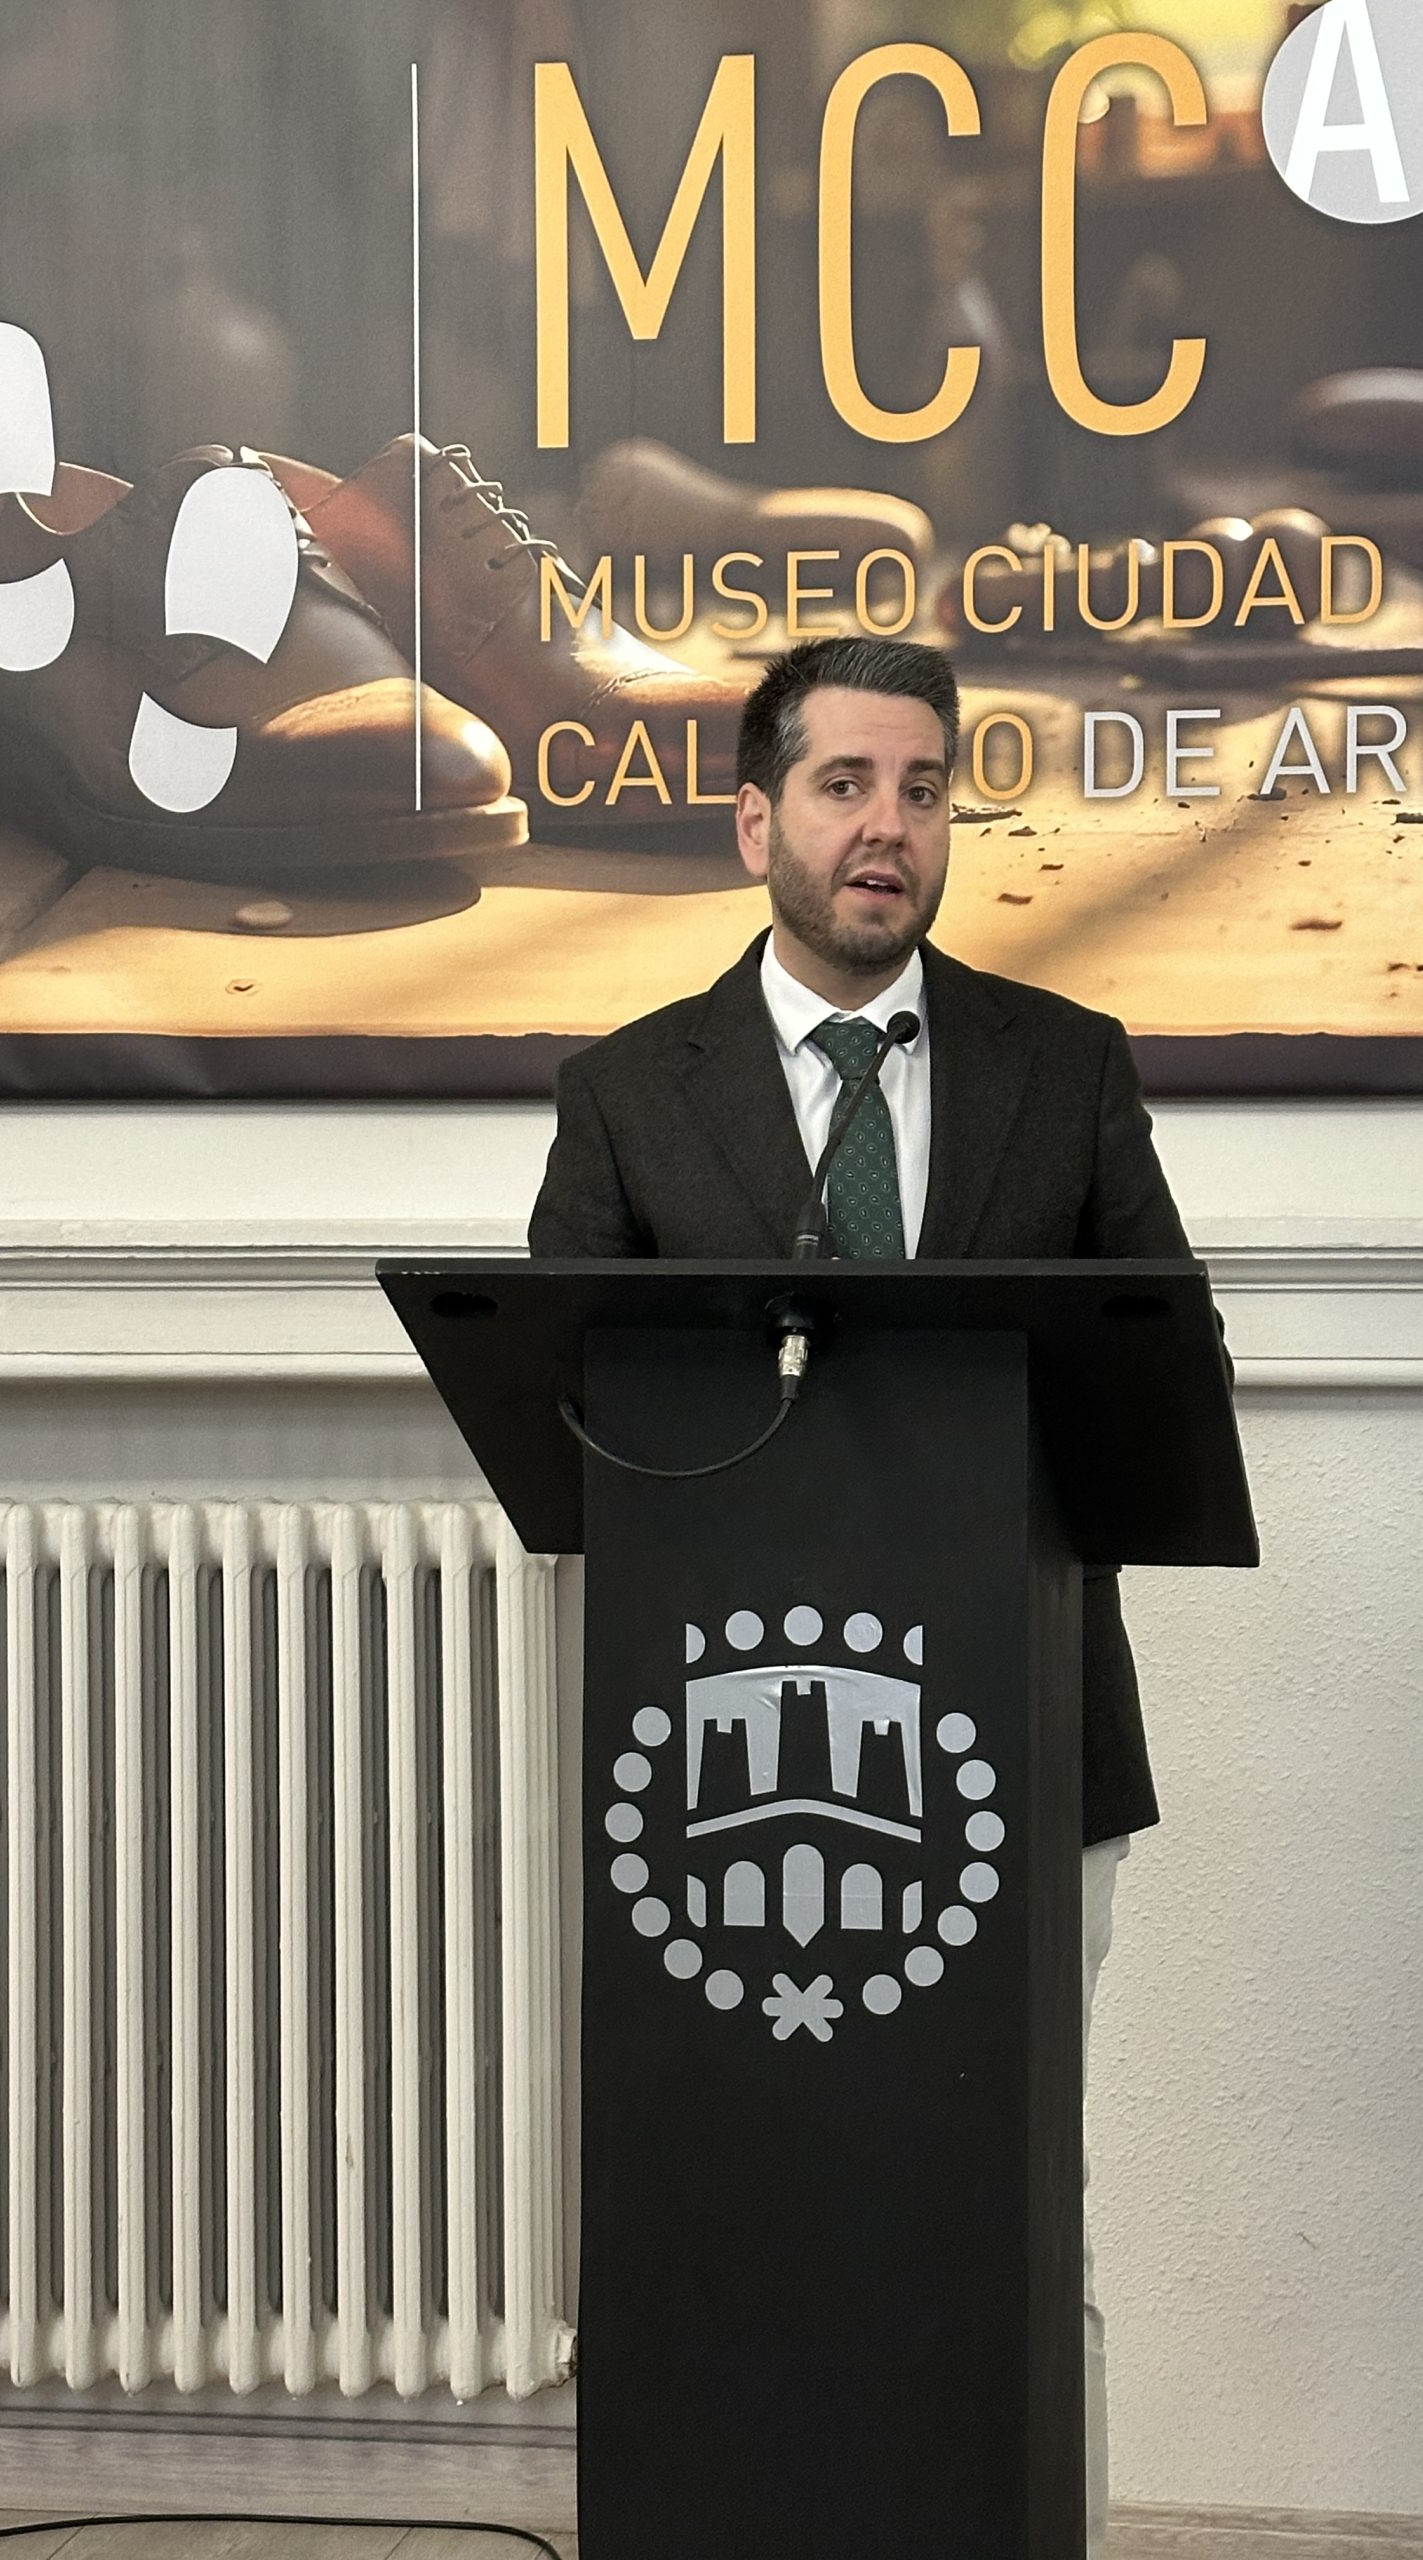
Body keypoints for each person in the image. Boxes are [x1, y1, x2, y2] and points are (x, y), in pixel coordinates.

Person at [528, 631, 1203, 2555]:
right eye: (844, 787)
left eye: (922, 790)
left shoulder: (1063, 1069)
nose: (887, 828)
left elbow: (1166, 1377)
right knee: (748, 2196)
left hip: (1026, 1756)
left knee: (1016, 2197)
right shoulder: (630, 1095)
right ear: (757, 822)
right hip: (719, 1769)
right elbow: (568, 1411)